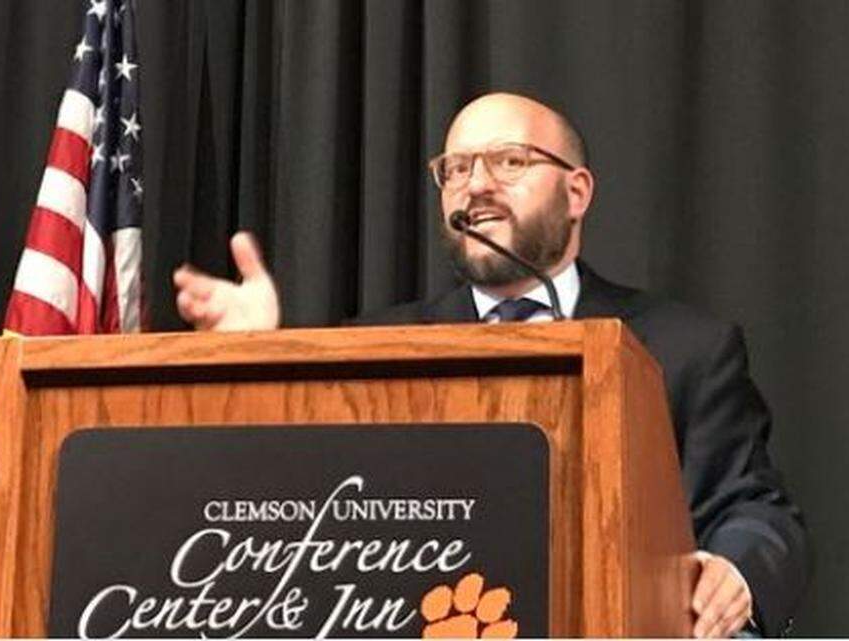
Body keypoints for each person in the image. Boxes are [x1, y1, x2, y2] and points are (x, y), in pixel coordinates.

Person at [172, 92, 808, 638]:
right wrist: (252, 356)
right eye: (455, 169)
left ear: (576, 190)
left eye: (509, 161)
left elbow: (756, 511)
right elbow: (295, 506)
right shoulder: (372, 346)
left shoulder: (685, 347)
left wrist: (737, 570)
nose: (475, 185)